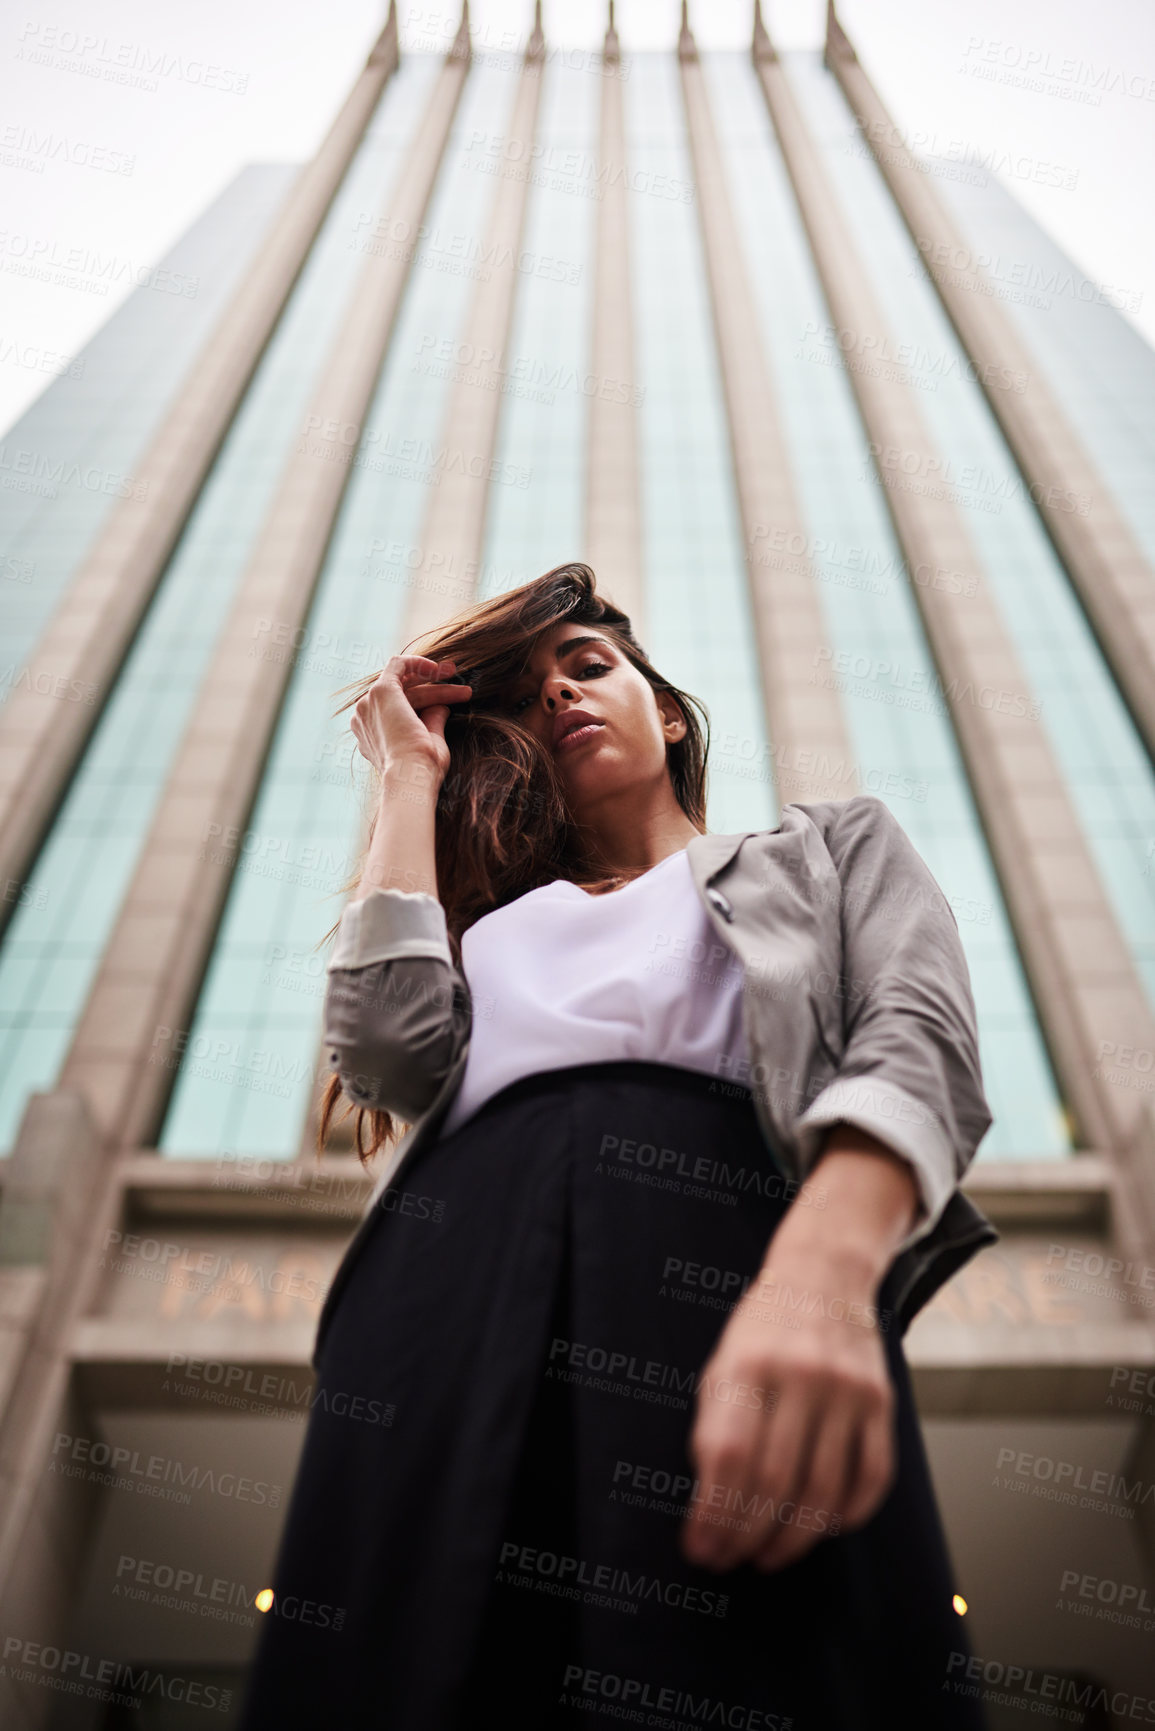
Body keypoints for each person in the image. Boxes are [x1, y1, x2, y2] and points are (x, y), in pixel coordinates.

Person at [239, 562, 996, 1730]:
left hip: (729, 1253)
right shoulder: (492, 927)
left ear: (671, 710)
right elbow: (384, 1051)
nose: (561, 697)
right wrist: (406, 774)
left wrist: (827, 1278)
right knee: (421, 1669)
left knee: (770, 1664)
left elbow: (920, 1041)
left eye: (588, 667)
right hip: (447, 1292)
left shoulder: (831, 850)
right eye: (529, 694)